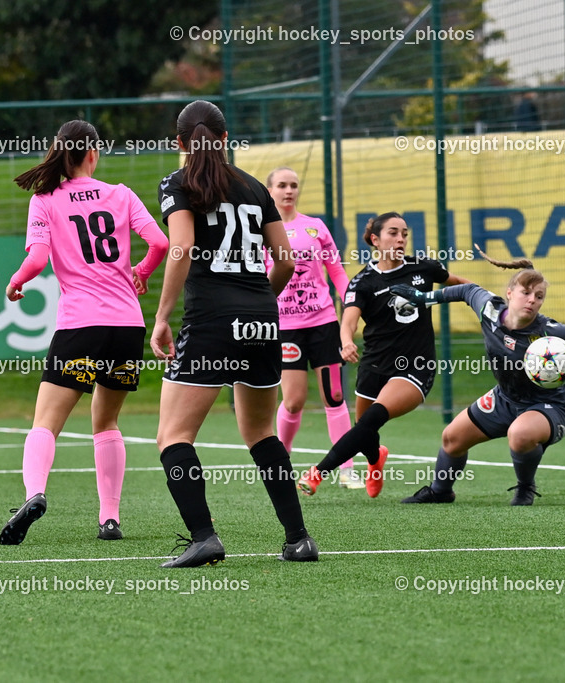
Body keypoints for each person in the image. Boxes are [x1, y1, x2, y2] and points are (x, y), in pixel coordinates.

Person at [150, 100, 317, 568]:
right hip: (263, 320)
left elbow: (181, 247)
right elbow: (286, 260)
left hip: (211, 322)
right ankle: (298, 538)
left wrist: (162, 316)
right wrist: (259, 299)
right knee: (262, 433)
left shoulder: (178, 183)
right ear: (225, 139)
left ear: (180, 142)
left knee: (173, 436)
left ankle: (203, 537)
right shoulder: (255, 187)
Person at [0, 120, 169, 545]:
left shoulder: (45, 200)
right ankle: (109, 518)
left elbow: (38, 260)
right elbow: (161, 244)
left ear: (61, 152)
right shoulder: (122, 194)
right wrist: (142, 273)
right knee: (107, 422)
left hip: (80, 325)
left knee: (46, 422)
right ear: (93, 153)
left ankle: (34, 494)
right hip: (127, 326)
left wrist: (17, 281)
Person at [392, 250, 565, 506]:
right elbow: (466, 290)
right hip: (505, 399)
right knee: (452, 438)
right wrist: (423, 298)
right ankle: (441, 491)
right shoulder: (488, 308)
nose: (532, 300)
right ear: (510, 293)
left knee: (519, 435)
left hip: (549, 407)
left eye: (539, 296)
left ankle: (525, 486)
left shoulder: (550, 331)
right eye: (526, 293)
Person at [294, 212, 471, 498]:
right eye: (393, 233)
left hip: (415, 366)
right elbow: (349, 319)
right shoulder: (363, 281)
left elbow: (463, 286)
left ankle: (317, 474)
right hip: (374, 364)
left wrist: (493, 302)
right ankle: (376, 459)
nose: (400, 239)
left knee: (370, 420)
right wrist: (346, 342)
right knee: (366, 434)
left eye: (404, 234)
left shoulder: (423, 268)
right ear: (375, 240)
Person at [265, 167, 362, 490]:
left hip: (323, 323)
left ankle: (347, 468)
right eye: (282, 185)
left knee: (335, 396)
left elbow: (336, 270)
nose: (288, 190)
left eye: (293, 185)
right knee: (293, 400)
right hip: (286, 328)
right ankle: (280, 462)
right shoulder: (261, 231)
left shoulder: (315, 228)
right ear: (270, 191)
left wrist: (352, 304)